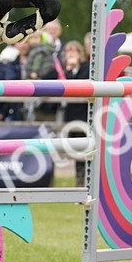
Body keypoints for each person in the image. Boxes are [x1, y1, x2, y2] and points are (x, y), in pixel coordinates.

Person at [43, 41, 91, 186]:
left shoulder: (86, 68)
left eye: (74, 51)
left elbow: (80, 86)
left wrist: (71, 71)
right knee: (71, 148)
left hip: (84, 114)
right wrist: (67, 71)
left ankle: (83, 180)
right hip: (68, 114)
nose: (70, 54)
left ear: (80, 54)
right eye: (68, 52)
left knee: (85, 148)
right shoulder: (61, 71)